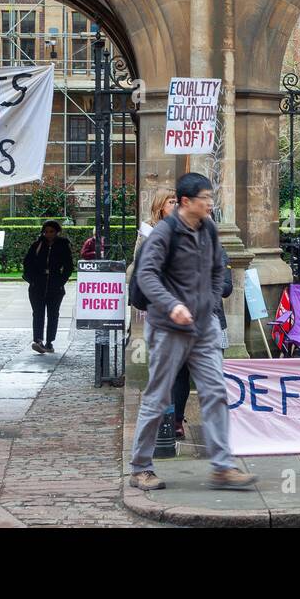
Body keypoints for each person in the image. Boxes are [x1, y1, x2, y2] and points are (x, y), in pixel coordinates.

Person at [129, 173, 255, 491]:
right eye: (204, 198)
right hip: (169, 329)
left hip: (204, 327)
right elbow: (146, 274)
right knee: (158, 397)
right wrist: (172, 306)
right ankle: (141, 467)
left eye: (210, 198)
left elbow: (217, 270)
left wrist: (210, 304)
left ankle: (223, 466)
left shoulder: (209, 229)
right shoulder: (164, 234)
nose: (210, 203)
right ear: (186, 202)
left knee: (215, 393)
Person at [129, 188, 192, 439]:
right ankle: (158, 426)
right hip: (160, 311)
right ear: (159, 206)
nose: (175, 205)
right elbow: (140, 271)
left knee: (182, 372)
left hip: (183, 311)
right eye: (171, 202)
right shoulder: (148, 234)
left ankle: (175, 419)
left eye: (178, 202)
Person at [21, 220, 74, 355]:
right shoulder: (37, 245)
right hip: (37, 285)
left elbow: (68, 266)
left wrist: (61, 281)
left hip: (55, 285)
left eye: (51, 231)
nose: (48, 234)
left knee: (53, 314)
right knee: (38, 313)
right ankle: (38, 340)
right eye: (46, 232)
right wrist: (31, 280)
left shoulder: (63, 246)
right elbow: (27, 263)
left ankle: (50, 341)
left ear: (57, 232)